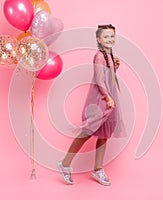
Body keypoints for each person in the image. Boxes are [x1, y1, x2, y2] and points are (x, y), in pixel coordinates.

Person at [57, 24, 126, 186]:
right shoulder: (99, 56)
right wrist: (107, 97)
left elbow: (107, 76)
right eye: (106, 36)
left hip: (109, 96)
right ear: (98, 39)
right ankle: (65, 163)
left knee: (104, 134)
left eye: (112, 36)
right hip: (100, 98)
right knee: (87, 132)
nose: (110, 39)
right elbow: (99, 79)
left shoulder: (108, 55)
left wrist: (114, 68)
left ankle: (97, 168)